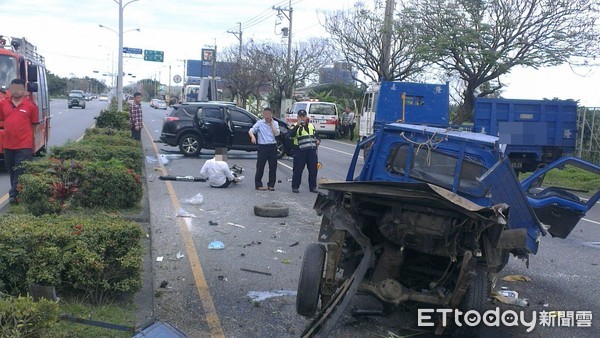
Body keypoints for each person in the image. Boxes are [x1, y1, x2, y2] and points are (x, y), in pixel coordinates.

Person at [0, 79, 39, 205]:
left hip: (24, 145)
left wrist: (28, 138)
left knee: (19, 170)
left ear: (24, 90)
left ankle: (13, 195)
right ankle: (17, 192)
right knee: (11, 169)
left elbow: (34, 125)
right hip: (8, 145)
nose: (16, 90)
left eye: (19, 88)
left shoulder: (31, 106)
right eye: (14, 88)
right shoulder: (3, 104)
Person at [249, 107, 280, 191]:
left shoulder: (275, 123)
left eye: (268, 115)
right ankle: (258, 184)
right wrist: (252, 136)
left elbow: (276, 133)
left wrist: (272, 124)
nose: (267, 116)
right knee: (260, 166)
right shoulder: (259, 123)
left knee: (273, 166)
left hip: (272, 146)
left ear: (271, 115)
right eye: (265, 114)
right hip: (262, 147)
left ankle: (271, 184)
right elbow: (251, 130)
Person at [290, 109, 320, 193]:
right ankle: (295, 186)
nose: (302, 118)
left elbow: (317, 136)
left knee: (313, 170)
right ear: (298, 117)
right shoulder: (294, 125)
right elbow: (291, 134)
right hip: (300, 151)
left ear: (306, 117)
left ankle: (313, 187)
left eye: (303, 116)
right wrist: (297, 126)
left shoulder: (311, 126)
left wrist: (318, 140)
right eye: (300, 116)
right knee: (298, 170)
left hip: (311, 151)